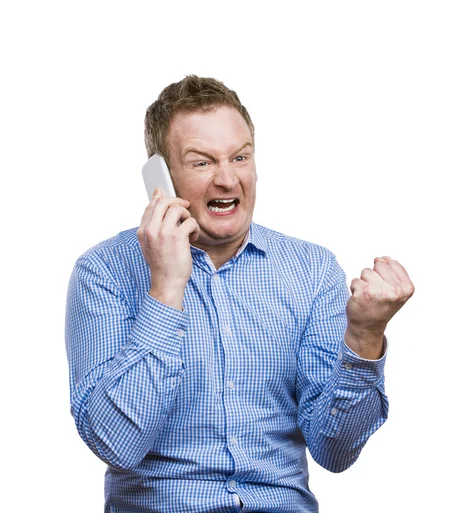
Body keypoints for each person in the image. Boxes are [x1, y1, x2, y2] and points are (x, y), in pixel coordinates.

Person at [65, 75, 414, 513]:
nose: (228, 179)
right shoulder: (103, 273)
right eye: (201, 162)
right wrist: (167, 287)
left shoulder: (311, 270)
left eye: (240, 157)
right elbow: (116, 442)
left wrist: (364, 337)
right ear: (161, 177)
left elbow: (335, 451)